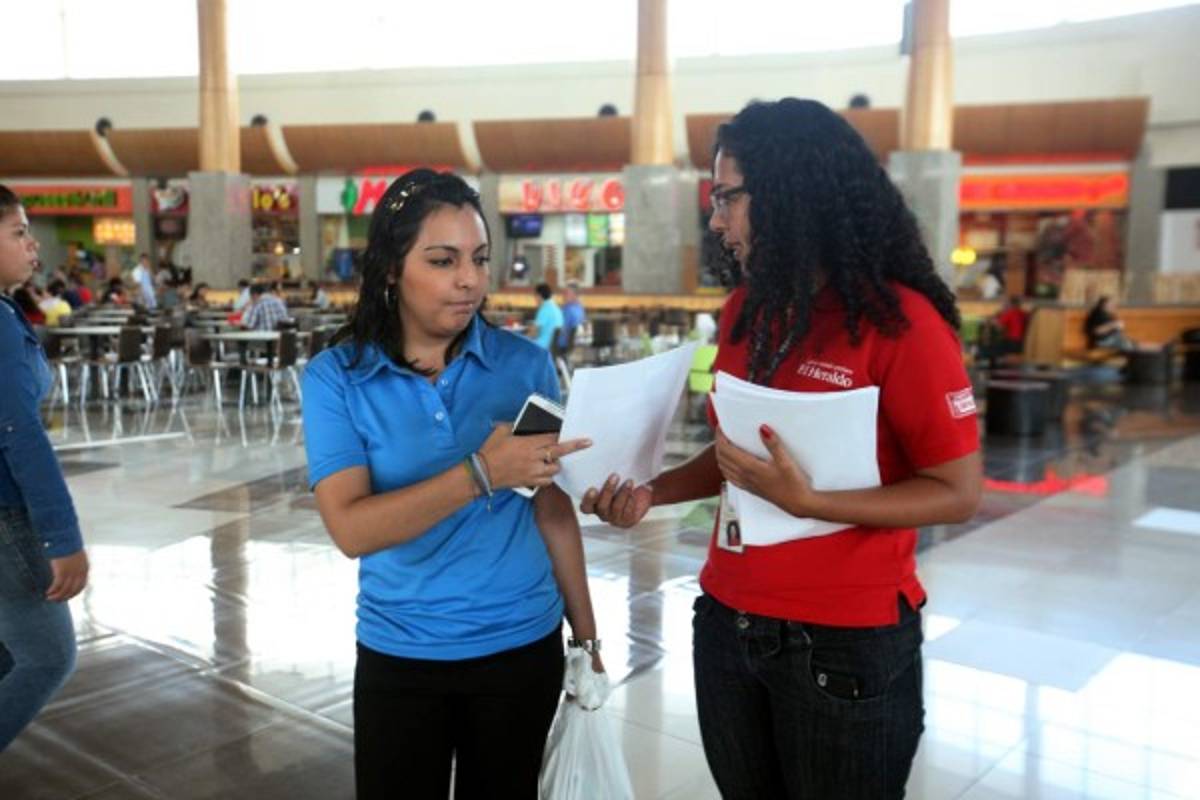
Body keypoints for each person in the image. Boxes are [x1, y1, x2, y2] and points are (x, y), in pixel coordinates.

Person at [580, 99, 982, 800]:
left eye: (728, 197)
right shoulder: (750, 310)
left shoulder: (902, 325)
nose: (715, 218)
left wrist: (810, 501)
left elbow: (957, 488)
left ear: (796, 194)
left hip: (844, 642)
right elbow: (736, 457)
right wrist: (654, 492)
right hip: (728, 625)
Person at [302, 169, 603, 798]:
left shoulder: (523, 364)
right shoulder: (338, 377)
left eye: (480, 259)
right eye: (443, 260)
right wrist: (482, 472)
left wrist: (586, 634)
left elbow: (550, 510)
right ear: (390, 268)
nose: (469, 279)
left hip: (521, 646)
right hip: (400, 650)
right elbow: (352, 528)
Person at [0, 184, 90, 751]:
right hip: (8, 515)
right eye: (17, 232)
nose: (33, 244)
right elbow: (19, 433)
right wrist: (64, 537)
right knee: (47, 656)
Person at [528, 282, 563, 350]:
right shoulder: (556, 308)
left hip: (542, 347)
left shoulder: (544, 309)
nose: (534, 299)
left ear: (539, 296)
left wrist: (521, 338)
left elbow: (533, 334)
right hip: (552, 347)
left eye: (535, 296)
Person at [555, 281, 585, 352]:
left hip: (560, 347)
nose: (563, 295)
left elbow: (560, 329)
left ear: (575, 295)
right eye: (563, 293)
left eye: (566, 293)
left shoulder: (567, 310)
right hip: (574, 347)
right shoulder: (580, 309)